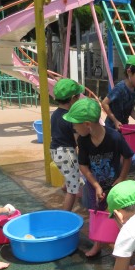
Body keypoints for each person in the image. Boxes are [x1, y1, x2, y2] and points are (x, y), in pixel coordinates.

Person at [63, 97, 134, 258]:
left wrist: (122, 178)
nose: (73, 127)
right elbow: (83, 165)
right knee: (96, 214)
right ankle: (97, 244)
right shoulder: (83, 140)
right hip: (94, 186)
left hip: (115, 186)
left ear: (87, 124)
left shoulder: (114, 137)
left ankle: (122, 248)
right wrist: (95, 185)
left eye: (75, 124)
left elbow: (128, 156)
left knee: (118, 216)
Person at [50, 78, 85, 211]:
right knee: (73, 189)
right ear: (72, 99)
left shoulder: (55, 114)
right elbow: (78, 140)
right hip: (66, 153)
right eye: (78, 97)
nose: (79, 99)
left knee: (70, 176)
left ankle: (65, 186)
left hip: (55, 151)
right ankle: (66, 215)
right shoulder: (70, 118)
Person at [101, 55, 135, 131]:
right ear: (129, 72)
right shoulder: (119, 88)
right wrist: (115, 120)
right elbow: (104, 103)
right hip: (111, 128)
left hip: (124, 127)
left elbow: (130, 109)